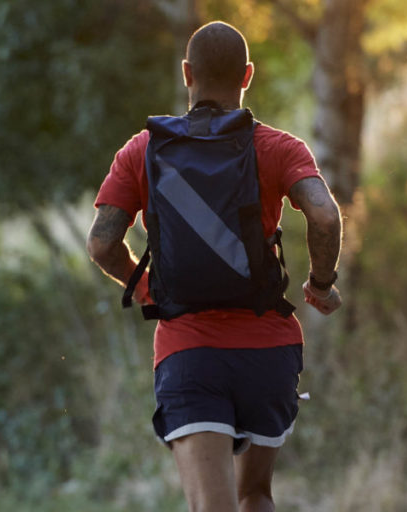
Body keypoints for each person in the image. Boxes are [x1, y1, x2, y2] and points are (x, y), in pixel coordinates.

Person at [86, 21, 343, 512]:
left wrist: (149, 293)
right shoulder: (277, 148)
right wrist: (321, 284)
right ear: (247, 75)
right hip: (268, 351)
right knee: (256, 495)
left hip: (190, 351)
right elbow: (325, 214)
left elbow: (101, 244)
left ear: (187, 73)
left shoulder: (142, 150)